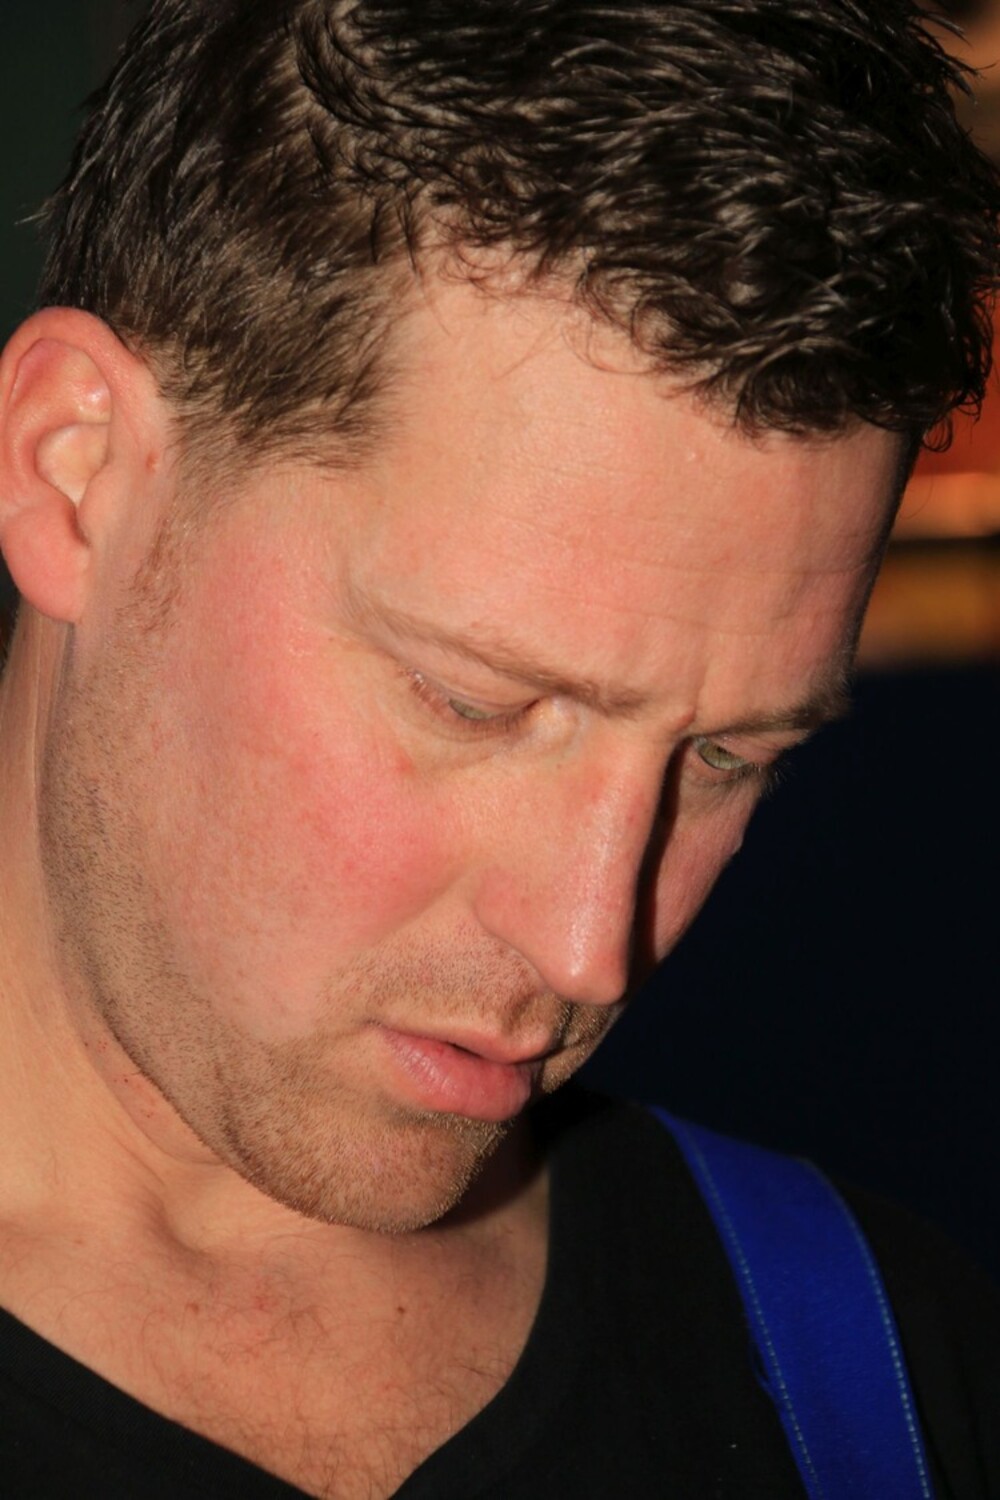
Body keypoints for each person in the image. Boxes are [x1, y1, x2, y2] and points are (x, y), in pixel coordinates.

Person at [0, 0, 998, 1495]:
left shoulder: (892, 1379)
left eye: (728, 758)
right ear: (79, 475)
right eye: (474, 702)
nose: (591, 948)